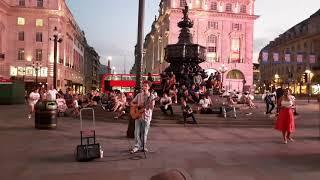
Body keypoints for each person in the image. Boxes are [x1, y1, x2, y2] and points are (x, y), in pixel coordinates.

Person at [130, 81, 155, 153]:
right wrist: (137, 105)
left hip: (146, 116)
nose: (144, 87)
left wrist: (150, 105)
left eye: (146, 86)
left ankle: (143, 146)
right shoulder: (139, 95)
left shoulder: (151, 96)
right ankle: (136, 146)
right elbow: (132, 103)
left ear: (149, 87)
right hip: (138, 115)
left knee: (144, 133)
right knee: (136, 132)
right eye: (143, 86)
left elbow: (151, 108)